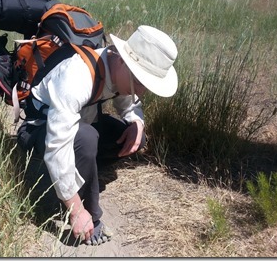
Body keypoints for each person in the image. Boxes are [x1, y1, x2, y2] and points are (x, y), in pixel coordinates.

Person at [17, 25, 178, 246]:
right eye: (140, 82)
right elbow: (57, 147)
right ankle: (82, 208)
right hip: (39, 130)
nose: (141, 91)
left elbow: (129, 103)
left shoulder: (117, 72)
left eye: (146, 85)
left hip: (82, 124)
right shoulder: (76, 77)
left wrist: (137, 124)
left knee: (132, 138)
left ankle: (83, 168)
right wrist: (76, 210)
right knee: (86, 138)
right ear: (122, 60)